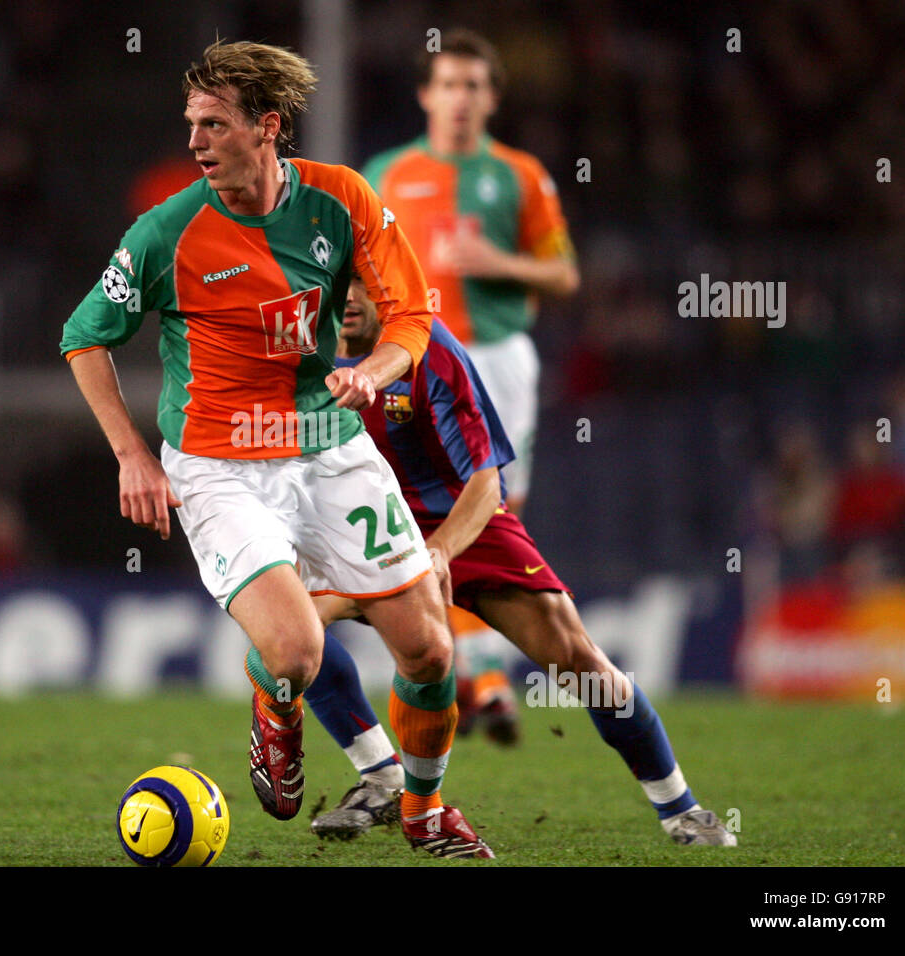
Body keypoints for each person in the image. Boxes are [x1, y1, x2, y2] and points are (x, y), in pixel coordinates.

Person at [60, 40, 491, 858]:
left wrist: (376, 369)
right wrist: (132, 455)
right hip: (219, 467)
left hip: (330, 448)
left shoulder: (342, 201)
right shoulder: (167, 233)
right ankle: (276, 703)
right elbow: (85, 337)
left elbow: (411, 312)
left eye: (213, 125)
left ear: (268, 126)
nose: (194, 143)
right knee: (296, 647)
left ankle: (424, 809)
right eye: (190, 124)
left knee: (431, 649)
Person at [305, 275, 736, 849]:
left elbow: (486, 483)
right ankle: (380, 777)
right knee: (293, 630)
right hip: (369, 525)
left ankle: (680, 808)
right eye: (340, 286)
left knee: (578, 659)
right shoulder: (299, 355)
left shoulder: (430, 348)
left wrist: (439, 552)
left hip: (460, 519)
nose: (351, 299)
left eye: (365, 286)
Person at [362, 27, 580, 729]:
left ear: (491, 99)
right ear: (428, 94)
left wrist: (500, 263)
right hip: (413, 360)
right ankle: (466, 671)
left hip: (498, 358)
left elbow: (565, 273)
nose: (460, 98)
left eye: (474, 86)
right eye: (449, 84)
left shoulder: (520, 175)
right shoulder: (385, 173)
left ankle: (478, 673)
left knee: (493, 511)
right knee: (413, 510)